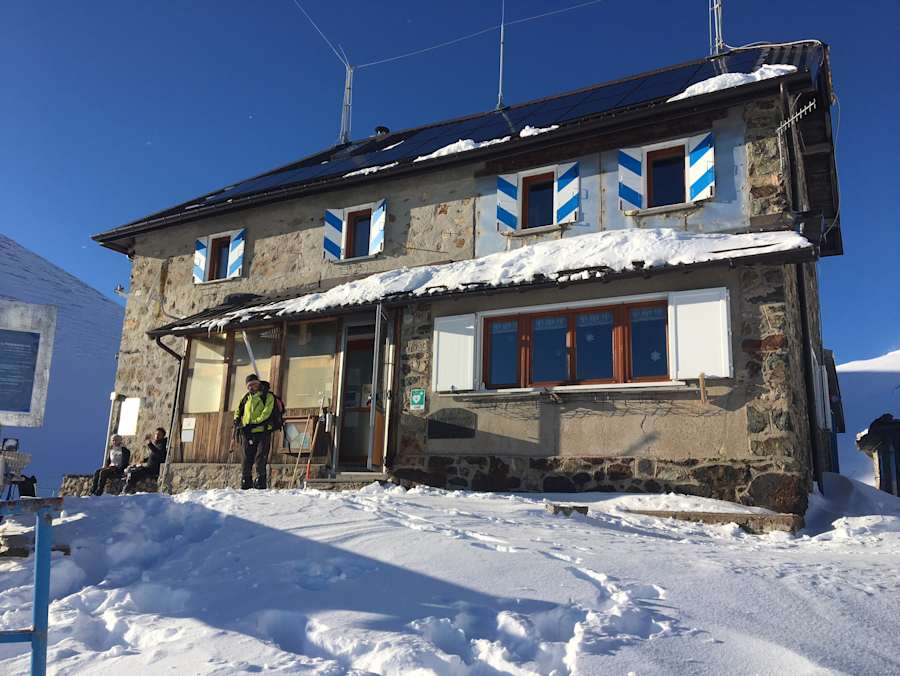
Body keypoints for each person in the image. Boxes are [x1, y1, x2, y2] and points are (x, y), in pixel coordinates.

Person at [235, 373, 275, 489]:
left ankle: (260, 481)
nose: (251, 387)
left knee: (260, 457)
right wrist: (237, 420)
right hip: (247, 432)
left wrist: (254, 423)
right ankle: (246, 481)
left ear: (258, 384)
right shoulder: (246, 398)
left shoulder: (267, 396)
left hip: (262, 431)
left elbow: (266, 413)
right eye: (248, 386)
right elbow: (238, 410)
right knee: (246, 458)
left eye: (253, 385)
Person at [122, 427, 168, 494]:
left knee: (135, 472)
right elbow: (154, 456)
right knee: (132, 469)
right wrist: (144, 460)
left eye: (159, 434)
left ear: (163, 436)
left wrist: (150, 444)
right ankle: (129, 487)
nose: (157, 436)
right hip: (149, 468)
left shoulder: (163, 445)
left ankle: (128, 489)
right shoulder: (158, 444)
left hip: (153, 470)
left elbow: (159, 454)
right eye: (156, 434)